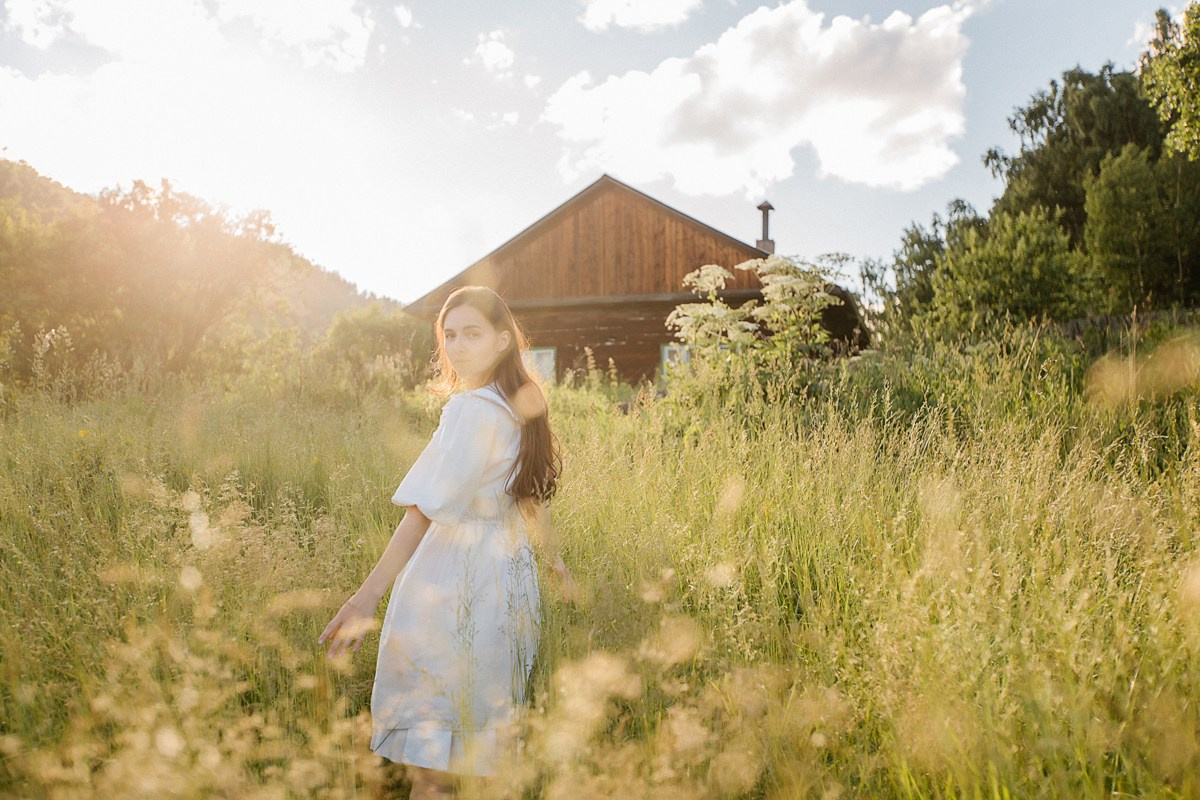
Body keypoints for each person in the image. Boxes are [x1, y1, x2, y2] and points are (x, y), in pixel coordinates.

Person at [318, 285, 578, 798]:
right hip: (510, 581)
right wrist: (554, 563)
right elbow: (530, 500)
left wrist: (365, 597)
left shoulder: (471, 410)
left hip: (455, 580)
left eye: (472, 334)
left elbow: (423, 511)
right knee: (482, 752)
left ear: (503, 341)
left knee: (434, 764)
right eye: (449, 335)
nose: (457, 346)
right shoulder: (519, 405)